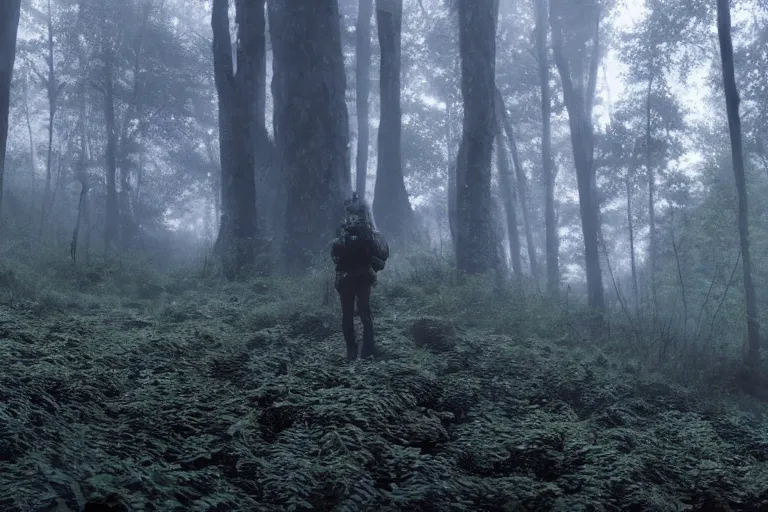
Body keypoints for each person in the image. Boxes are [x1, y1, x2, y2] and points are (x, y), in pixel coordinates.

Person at [331, 193, 389, 361]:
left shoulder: (343, 229)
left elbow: (334, 254)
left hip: (346, 278)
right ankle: (368, 352)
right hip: (364, 277)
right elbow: (380, 252)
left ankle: (351, 352)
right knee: (365, 314)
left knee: (347, 315)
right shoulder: (368, 229)